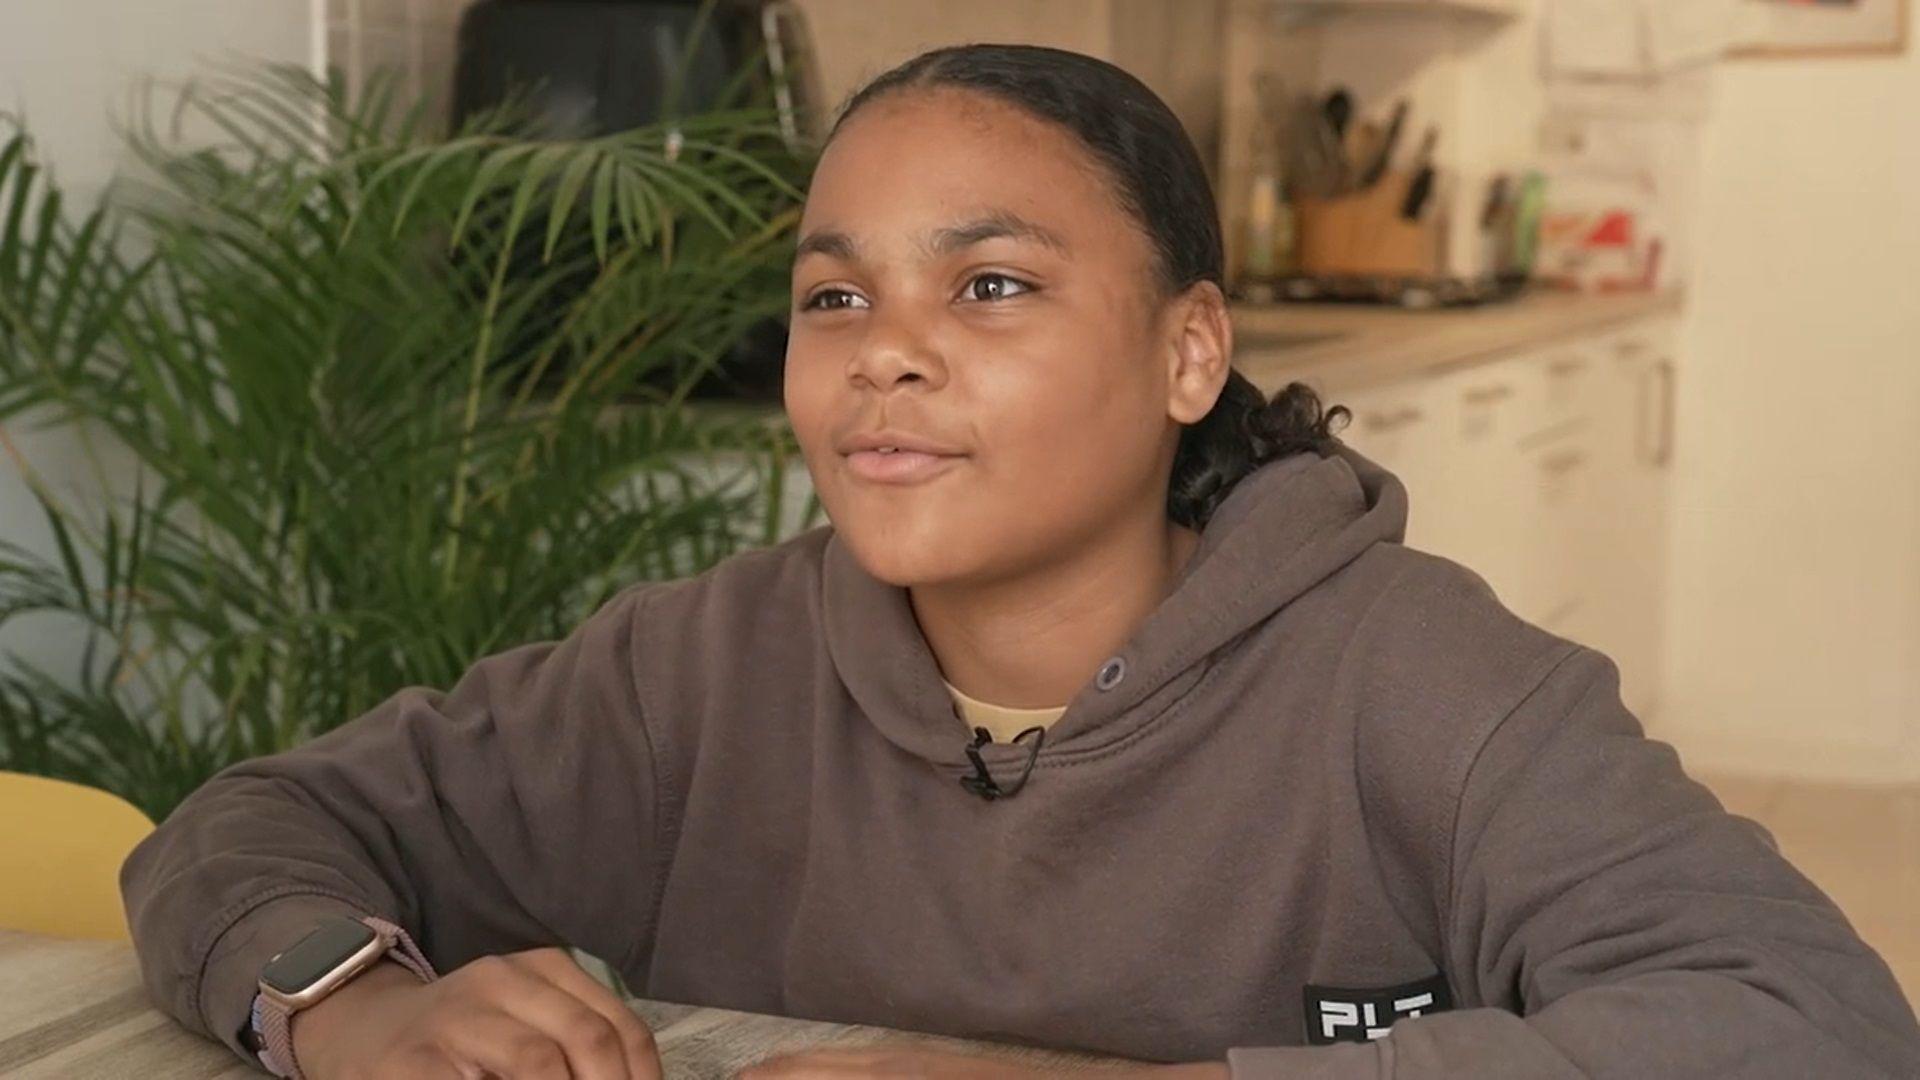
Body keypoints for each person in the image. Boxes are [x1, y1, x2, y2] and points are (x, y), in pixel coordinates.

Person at [122, 43, 1920, 1080]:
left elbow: (1812, 1023)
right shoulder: (694, 670)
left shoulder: (1424, 683)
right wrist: (349, 1006)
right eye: (838, 295)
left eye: (989, 286)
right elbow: (246, 823)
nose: (883, 353)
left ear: (1186, 353)